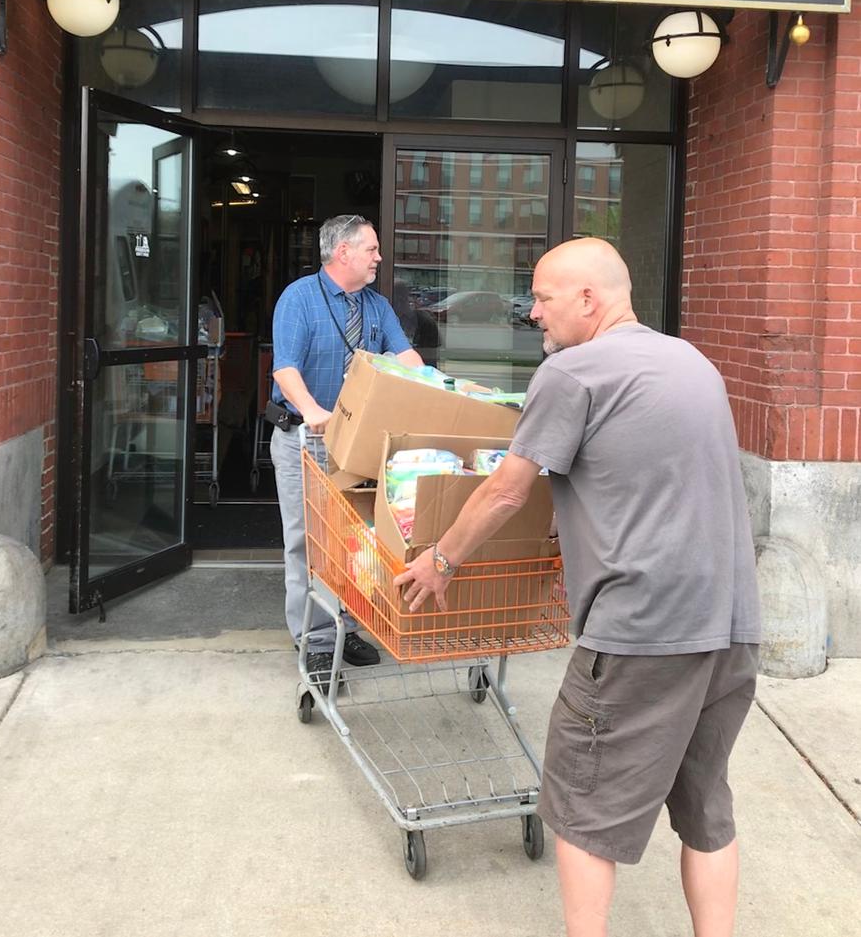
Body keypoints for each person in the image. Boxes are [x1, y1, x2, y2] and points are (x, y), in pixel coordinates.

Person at [395, 237, 760, 937]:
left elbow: (506, 491)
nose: (532, 311)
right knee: (706, 805)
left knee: (581, 806)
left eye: (543, 297)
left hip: (642, 628)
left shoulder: (573, 372)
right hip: (730, 622)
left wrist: (440, 559)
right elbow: (652, 476)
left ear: (589, 299)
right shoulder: (692, 361)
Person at [271, 214, 424, 683]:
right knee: (308, 543)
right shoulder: (298, 298)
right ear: (343, 252)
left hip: (358, 447)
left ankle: (346, 626)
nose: (379, 257)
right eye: (371, 249)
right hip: (307, 440)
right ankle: (316, 643)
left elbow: (407, 357)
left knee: (356, 543)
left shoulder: (377, 307)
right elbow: (285, 368)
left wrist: (434, 386)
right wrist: (313, 411)